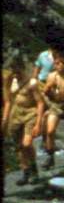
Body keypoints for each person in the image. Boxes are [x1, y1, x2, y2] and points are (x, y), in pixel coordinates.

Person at [3, 56, 46, 185]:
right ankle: (25, 172)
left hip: (30, 113)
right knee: (19, 146)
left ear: (22, 68)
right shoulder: (11, 81)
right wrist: (5, 119)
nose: (15, 73)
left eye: (17, 70)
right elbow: (8, 101)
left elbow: (40, 103)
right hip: (16, 115)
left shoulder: (31, 82)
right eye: (13, 70)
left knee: (27, 143)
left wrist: (38, 123)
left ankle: (34, 171)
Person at [31, 45, 58, 145]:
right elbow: (37, 69)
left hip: (54, 85)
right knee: (41, 111)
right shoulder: (43, 55)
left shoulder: (60, 56)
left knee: (51, 113)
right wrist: (33, 80)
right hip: (41, 83)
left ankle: (48, 140)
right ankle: (42, 139)